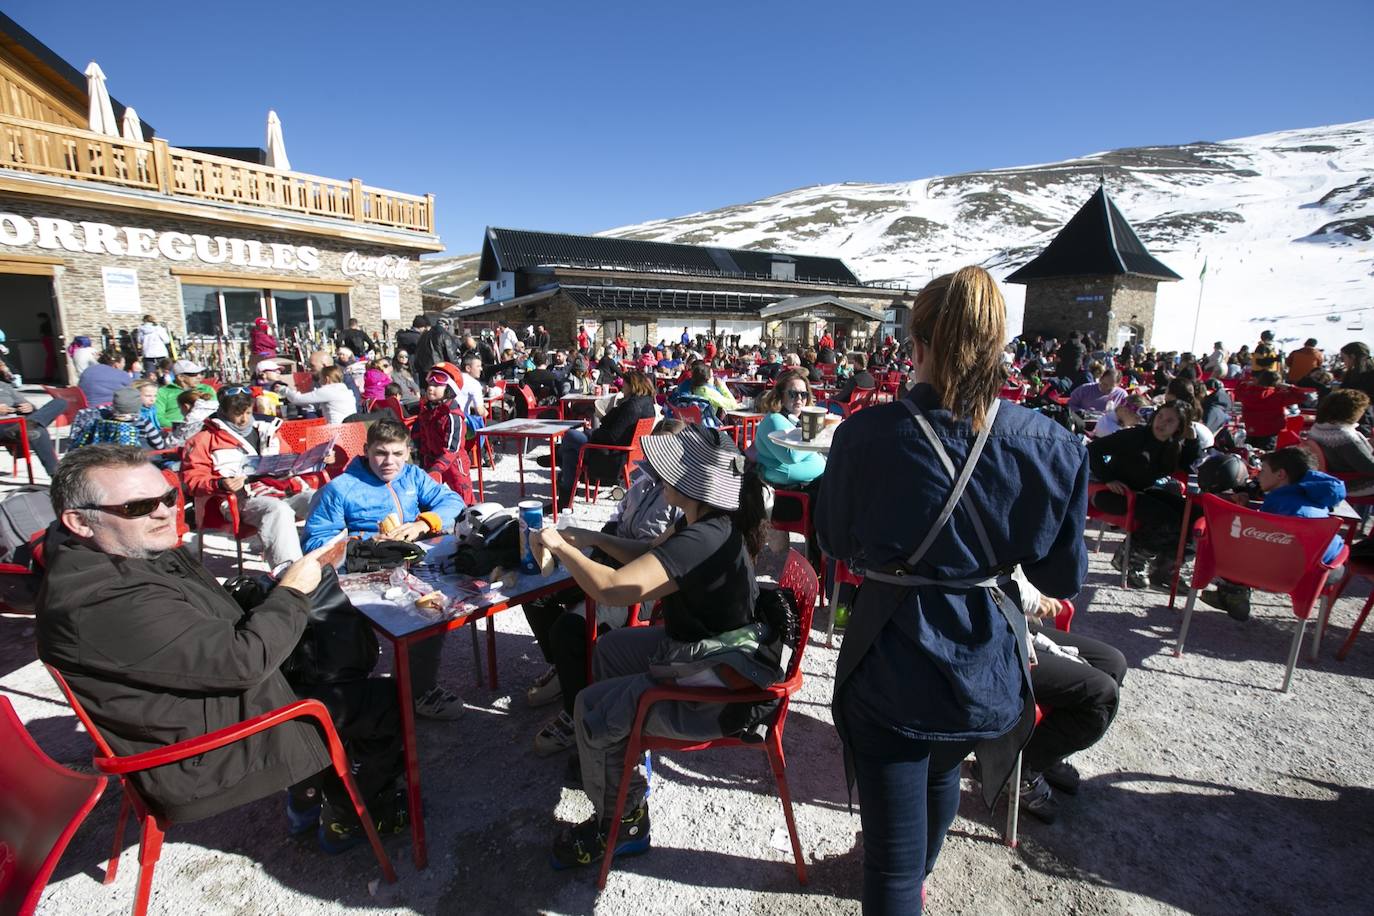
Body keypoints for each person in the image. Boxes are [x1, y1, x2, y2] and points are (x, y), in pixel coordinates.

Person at [817, 267, 1088, 912]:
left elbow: (834, 541)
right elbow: (1061, 579)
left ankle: (908, 880)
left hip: (889, 654)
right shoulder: (1052, 444)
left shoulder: (865, 434)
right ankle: (919, 874)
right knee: (942, 765)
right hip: (984, 661)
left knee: (889, 866)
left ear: (918, 343)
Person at [36, 445, 407, 850]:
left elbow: (198, 629)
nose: (164, 512)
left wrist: (266, 596)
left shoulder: (119, 552)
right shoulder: (103, 599)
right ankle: (346, 817)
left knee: (331, 665)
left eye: (168, 497)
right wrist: (293, 591)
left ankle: (306, 799)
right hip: (201, 752)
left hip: (201, 705)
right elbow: (244, 662)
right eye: (138, 507)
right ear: (80, 521)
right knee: (386, 700)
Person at [535, 425, 772, 869]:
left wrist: (560, 548)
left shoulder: (704, 537)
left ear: (692, 482)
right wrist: (592, 539)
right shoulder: (703, 522)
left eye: (668, 468)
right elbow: (649, 554)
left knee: (590, 707)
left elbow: (611, 589)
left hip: (716, 687)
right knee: (610, 650)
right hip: (706, 652)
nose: (657, 473)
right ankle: (619, 759)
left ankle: (621, 824)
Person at [523, 418, 687, 748]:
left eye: (667, 453)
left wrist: (596, 543)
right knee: (536, 592)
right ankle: (564, 668)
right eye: (656, 450)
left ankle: (576, 713)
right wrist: (590, 541)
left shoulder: (682, 499)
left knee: (570, 627)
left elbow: (655, 557)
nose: (657, 458)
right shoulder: (644, 480)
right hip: (611, 561)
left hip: (646, 584)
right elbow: (616, 520)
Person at [301, 420, 466, 719]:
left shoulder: (413, 476)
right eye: (380, 453)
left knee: (446, 599)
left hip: (411, 561)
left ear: (408, 452)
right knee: (422, 614)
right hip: (362, 568)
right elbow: (315, 542)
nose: (389, 462)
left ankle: (414, 684)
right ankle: (417, 693)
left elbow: (452, 501)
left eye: (397, 454)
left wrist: (423, 523)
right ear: (366, 451)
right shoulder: (341, 488)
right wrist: (364, 543)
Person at [999, 569, 1126, 823]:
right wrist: (1032, 599)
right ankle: (1017, 769)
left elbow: (1066, 573)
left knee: (1112, 662)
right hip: (986, 636)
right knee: (1101, 694)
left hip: (1012, 619)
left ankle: (1043, 753)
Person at [1201, 448, 1347, 619]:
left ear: (1280, 474)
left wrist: (1241, 512)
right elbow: (1334, 549)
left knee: (1232, 538)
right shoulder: (1316, 500)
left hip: (1272, 573)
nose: (1258, 476)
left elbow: (1254, 540)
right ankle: (1232, 594)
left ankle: (1233, 593)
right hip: (1315, 576)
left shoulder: (1278, 503)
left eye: (1263, 470)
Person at [183, 387, 314, 569]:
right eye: (237, 414)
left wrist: (311, 461)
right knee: (278, 510)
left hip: (281, 489)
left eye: (248, 412)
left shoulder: (268, 430)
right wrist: (220, 483)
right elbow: (191, 479)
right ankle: (289, 571)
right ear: (224, 411)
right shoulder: (205, 439)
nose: (244, 419)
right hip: (239, 499)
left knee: (320, 499)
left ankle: (325, 558)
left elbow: (289, 458)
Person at [1088, 402, 1200, 587]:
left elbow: (1188, 466)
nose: (1162, 423)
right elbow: (1092, 449)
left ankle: (1168, 567)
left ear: (1179, 427)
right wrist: (1108, 478)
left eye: (1170, 421)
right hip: (1110, 493)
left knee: (1193, 513)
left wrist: (1192, 441)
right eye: (1160, 416)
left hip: (1141, 492)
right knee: (1167, 518)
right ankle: (1132, 557)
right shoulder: (1136, 436)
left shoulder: (1172, 445)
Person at [540, 370, 656, 509]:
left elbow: (612, 436)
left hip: (611, 455)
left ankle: (557, 458)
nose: (622, 387)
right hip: (627, 453)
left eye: (624, 384)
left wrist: (594, 434)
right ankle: (563, 499)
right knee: (570, 453)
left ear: (632, 385)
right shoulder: (647, 403)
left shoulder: (631, 406)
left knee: (570, 436)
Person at [754, 370, 825, 526]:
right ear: (780, 395)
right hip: (789, 497)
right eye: (793, 394)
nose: (799, 399)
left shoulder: (794, 421)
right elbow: (791, 456)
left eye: (804, 394)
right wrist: (816, 436)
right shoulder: (774, 419)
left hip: (806, 489)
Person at [410, 363, 476, 502]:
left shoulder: (453, 416)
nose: (430, 388)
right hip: (431, 460)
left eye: (437, 385)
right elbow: (419, 433)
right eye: (430, 384)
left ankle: (468, 512)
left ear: (449, 389)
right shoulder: (426, 411)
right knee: (428, 496)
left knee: (462, 495)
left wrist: (437, 468)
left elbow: (452, 449)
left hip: (453, 463)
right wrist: (417, 454)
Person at [1307, 389, 1374, 497]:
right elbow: (1369, 467)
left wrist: (1366, 443)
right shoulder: (1345, 437)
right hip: (1350, 483)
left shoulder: (1319, 428)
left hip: (1334, 476)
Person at [0, 373, 67, 475]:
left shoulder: (4, 386)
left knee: (60, 402)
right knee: (38, 431)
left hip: (21, 422)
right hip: (4, 427)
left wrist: (29, 407)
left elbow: (29, 406)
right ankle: (56, 476)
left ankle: (30, 424)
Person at [1236, 369, 1306, 450]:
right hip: (1271, 432)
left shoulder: (1248, 394)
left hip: (1251, 430)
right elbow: (1301, 396)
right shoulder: (1277, 396)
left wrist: (1247, 384)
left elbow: (1238, 391)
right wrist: (1289, 387)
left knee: (1249, 453)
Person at [284, 365, 355, 425]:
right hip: (350, 428)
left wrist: (284, 390)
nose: (319, 381)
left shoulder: (327, 390)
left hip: (335, 429)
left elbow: (297, 399)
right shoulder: (346, 390)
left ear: (327, 379)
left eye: (320, 378)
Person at [154, 360, 215, 428]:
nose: (199, 377)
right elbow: (158, 417)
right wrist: (181, 427)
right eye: (193, 374)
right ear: (180, 377)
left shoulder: (206, 389)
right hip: (174, 430)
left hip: (204, 429)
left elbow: (216, 412)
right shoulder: (163, 392)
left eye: (200, 373)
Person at [414, 316, 461, 383]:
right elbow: (451, 356)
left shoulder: (423, 335)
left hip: (423, 371)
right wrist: (457, 371)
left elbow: (417, 354)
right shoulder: (444, 335)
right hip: (439, 371)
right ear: (446, 326)